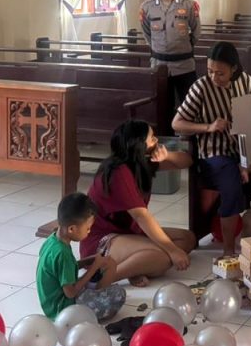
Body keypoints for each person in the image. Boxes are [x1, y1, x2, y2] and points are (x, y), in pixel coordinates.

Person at [171, 41, 251, 256]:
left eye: (220, 73)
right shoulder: (201, 88)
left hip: (243, 148)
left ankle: (247, 168)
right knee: (231, 184)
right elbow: (177, 123)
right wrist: (208, 127)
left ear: (234, 69)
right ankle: (228, 251)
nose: (214, 77)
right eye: (210, 71)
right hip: (215, 152)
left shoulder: (245, 81)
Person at [80, 120, 196, 287]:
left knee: (188, 239)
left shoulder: (142, 161)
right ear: (139, 145)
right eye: (152, 138)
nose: (156, 141)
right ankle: (101, 279)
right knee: (163, 257)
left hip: (128, 233)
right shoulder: (118, 172)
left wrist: (167, 156)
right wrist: (172, 251)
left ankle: (136, 267)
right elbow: (142, 216)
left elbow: (187, 161)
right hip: (102, 240)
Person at [37, 192, 126, 322]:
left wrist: (88, 261)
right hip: (63, 310)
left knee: (109, 263)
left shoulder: (53, 240)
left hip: (53, 304)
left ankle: (95, 294)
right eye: (88, 228)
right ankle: (93, 304)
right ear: (72, 229)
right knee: (119, 294)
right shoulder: (62, 253)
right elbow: (71, 292)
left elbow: (63, 270)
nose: (89, 232)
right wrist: (94, 267)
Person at [140, 0, 201, 121]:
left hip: (184, 65)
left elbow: (196, 31)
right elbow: (147, 33)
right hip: (159, 65)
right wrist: (158, 48)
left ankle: (190, 135)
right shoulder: (147, 7)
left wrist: (184, 47)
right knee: (163, 109)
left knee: (190, 107)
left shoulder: (188, 4)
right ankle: (166, 136)